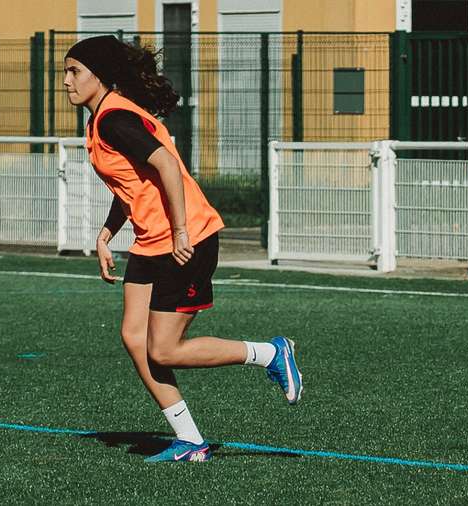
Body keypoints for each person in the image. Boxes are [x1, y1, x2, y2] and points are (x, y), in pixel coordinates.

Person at [63, 35, 302, 462]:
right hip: (152, 241)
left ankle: (270, 352)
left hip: (186, 239)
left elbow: (167, 167)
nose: (66, 81)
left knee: (164, 349)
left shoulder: (114, 120)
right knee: (134, 338)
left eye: (74, 71)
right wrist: (105, 234)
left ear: (100, 76)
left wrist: (179, 232)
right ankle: (190, 441)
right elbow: (132, 184)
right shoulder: (102, 119)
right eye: (66, 71)